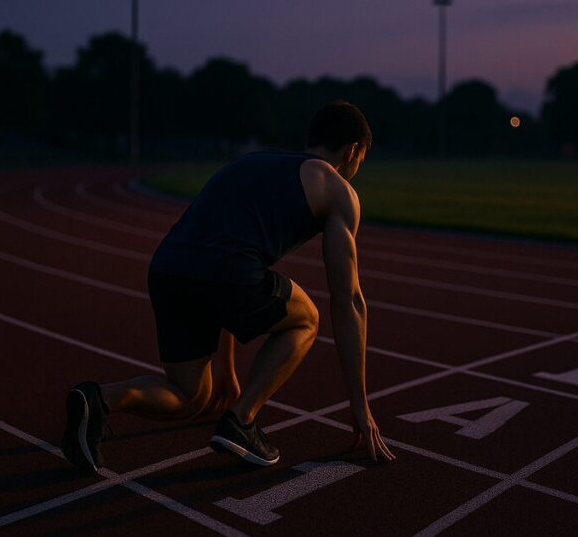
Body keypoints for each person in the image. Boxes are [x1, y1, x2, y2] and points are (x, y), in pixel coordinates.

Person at [61, 100, 396, 470]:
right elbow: (348, 299)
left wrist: (226, 371)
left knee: (190, 395)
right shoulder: (337, 190)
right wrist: (360, 404)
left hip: (169, 268)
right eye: (360, 160)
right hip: (224, 271)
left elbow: (214, 254)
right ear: (352, 151)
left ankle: (98, 399)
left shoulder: (249, 162)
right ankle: (242, 420)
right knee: (307, 318)